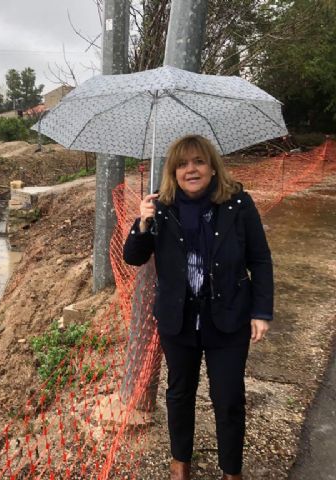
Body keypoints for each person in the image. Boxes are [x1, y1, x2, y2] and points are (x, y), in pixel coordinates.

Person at [123, 135, 273, 480]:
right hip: (178, 319)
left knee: (229, 397)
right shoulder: (160, 207)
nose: (191, 169)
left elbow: (260, 260)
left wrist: (261, 311)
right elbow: (133, 256)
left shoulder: (238, 205)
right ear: (173, 172)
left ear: (212, 167)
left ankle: (231, 471)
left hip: (229, 317)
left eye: (198, 162)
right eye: (182, 164)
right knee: (179, 392)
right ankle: (180, 461)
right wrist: (142, 223)